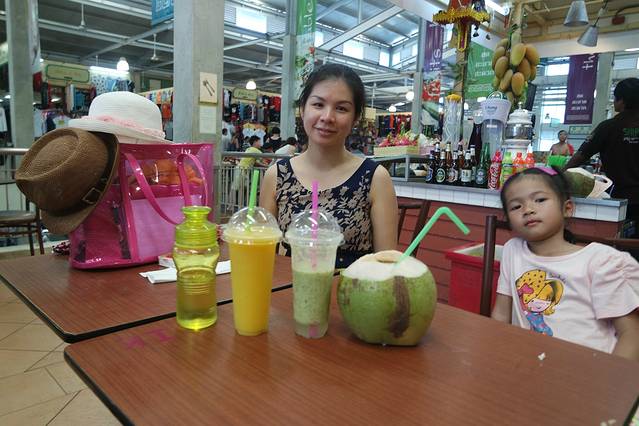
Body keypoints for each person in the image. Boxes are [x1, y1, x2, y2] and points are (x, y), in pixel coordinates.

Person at [491, 167, 639, 361]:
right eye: (516, 206)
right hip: (530, 364)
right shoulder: (513, 251)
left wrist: (610, 378)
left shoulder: (601, 262)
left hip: (592, 369)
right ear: (509, 221)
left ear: (567, 208)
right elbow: (501, 315)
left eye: (540, 200)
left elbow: (631, 334)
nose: (528, 209)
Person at [260, 63, 398, 268]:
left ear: (355, 118)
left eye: (341, 108)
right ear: (303, 109)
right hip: (292, 285)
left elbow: (387, 265)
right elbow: (264, 256)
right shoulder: (277, 175)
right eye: (318, 104)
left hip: (354, 286)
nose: (327, 117)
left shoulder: (375, 178)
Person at [565, 78, 639, 240]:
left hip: (622, 200)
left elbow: (581, 156)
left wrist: (558, 174)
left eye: (615, 98)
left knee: (621, 243)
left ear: (622, 101)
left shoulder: (608, 127)